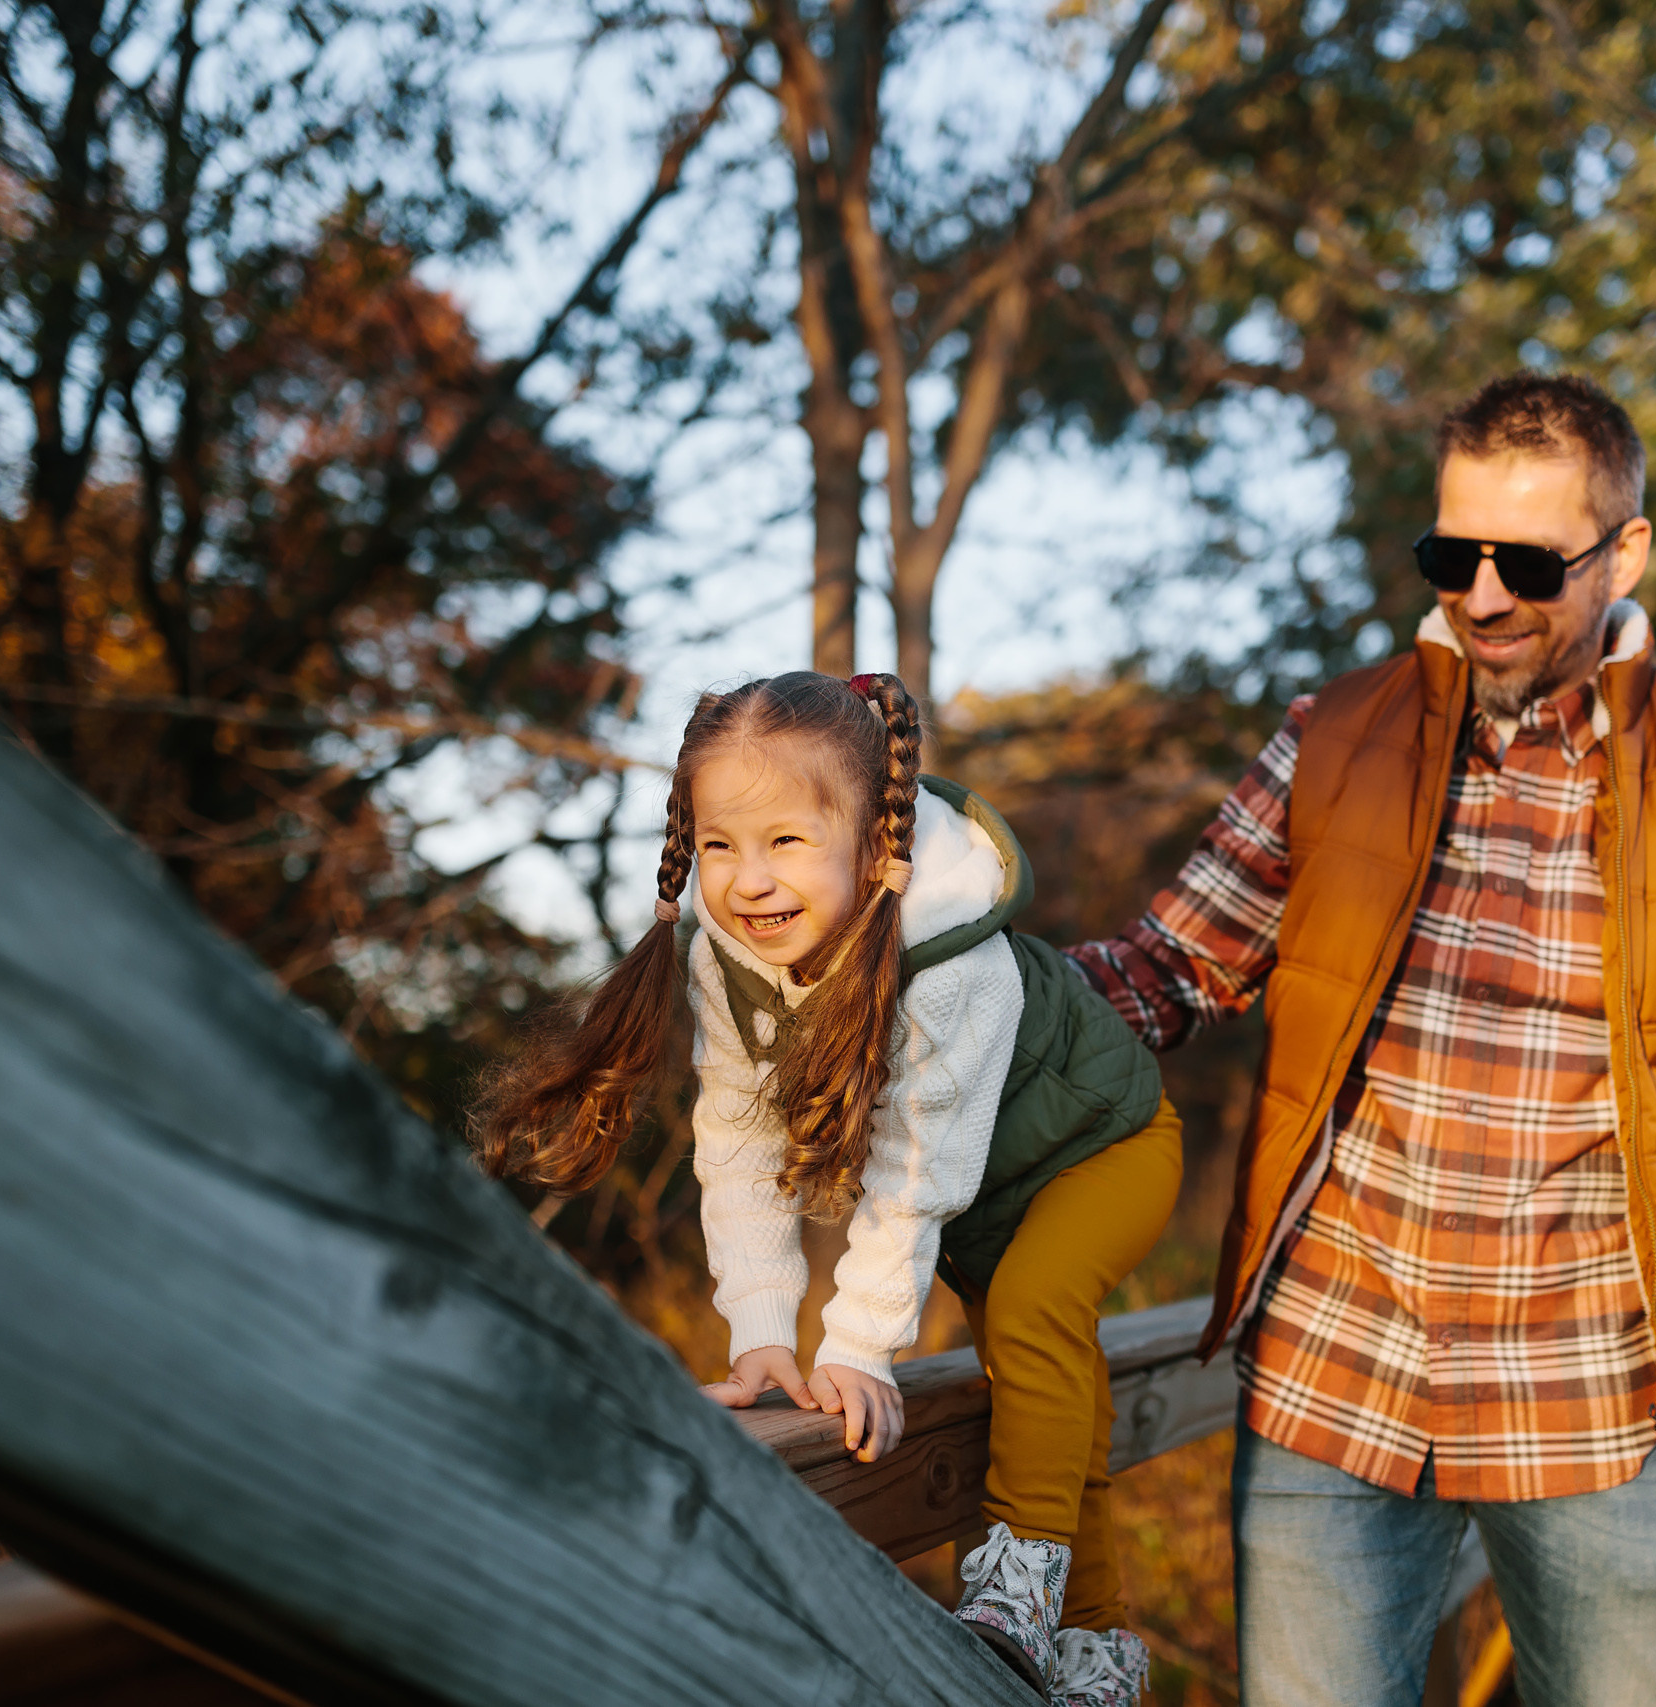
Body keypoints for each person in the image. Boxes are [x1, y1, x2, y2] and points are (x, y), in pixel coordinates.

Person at [1065, 373, 1656, 1707]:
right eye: (1453, 556)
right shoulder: (1335, 738)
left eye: (1528, 563)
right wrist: (943, 973)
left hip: (1600, 1402)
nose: (1484, 596)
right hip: (1336, 1375)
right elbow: (1164, 970)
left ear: (1624, 551)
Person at [470, 671, 1180, 1707]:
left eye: (786, 841)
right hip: (986, 1194)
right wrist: (763, 1331)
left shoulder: (951, 963)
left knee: (1033, 1316)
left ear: (874, 842)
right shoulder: (730, 960)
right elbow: (739, 1145)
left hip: (1100, 1150)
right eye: (721, 846)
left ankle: (1016, 1585)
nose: (749, 882)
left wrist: (857, 1350)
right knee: (1042, 1382)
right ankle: (1094, 1655)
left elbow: (913, 1173)